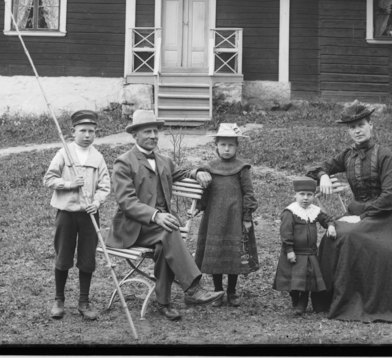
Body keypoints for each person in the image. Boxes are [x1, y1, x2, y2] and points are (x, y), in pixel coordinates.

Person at [307, 102, 392, 322]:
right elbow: (315, 167)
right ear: (348, 131)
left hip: (386, 217)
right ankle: (331, 297)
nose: (357, 131)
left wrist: (361, 216)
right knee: (333, 233)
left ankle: (359, 298)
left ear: (371, 125)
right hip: (357, 213)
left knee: (349, 234)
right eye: (352, 127)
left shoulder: (385, 156)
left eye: (361, 125)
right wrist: (323, 175)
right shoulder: (348, 156)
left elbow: (389, 197)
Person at [107, 109, 224, 320]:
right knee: (168, 230)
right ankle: (193, 289)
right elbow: (126, 202)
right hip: (133, 228)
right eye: (147, 132)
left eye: (155, 131)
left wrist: (197, 172)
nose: (153, 136)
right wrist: (156, 215)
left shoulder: (164, 160)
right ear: (135, 135)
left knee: (164, 241)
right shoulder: (123, 162)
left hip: (160, 229)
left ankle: (164, 303)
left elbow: (183, 173)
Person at [42, 109, 111, 321]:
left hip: (89, 215)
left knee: (87, 257)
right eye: (83, 130)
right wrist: (70, 184)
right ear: (73, 132)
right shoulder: (64, 153)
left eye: (92, 131)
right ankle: (59, 300)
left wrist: (97, 202)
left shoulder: (97, 157)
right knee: (63, 255)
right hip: (67, 213)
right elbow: (49, 179)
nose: (87, 135)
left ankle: (83, 301)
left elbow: (105, 186)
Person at [192, 123, 259, 307]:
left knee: (233, 253)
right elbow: (205, 192)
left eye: (231, 145)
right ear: (216, 146)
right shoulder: (209, 168)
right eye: (223, 145)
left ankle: (231, 291)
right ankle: (217, 290)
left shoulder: (241, 168)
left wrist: (246, 217)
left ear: (237, 146)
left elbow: (248, 193)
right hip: (214, 218)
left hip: (234, 217)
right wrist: (199, 206)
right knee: (216, 253)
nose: (227, 149)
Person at [272, 177, 337, 316]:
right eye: (302, 194)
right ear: (295, 195)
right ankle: (295, 298)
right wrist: (289, 250)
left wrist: (331, 226)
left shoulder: (315, 211)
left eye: (309, 195)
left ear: (314, 196)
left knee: (307, 279)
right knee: (293, 280)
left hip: (309, 253)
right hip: (294, 252)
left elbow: (327, 219)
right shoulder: (290, 212)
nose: (305, 198)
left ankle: (303, 302)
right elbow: (286, 233)